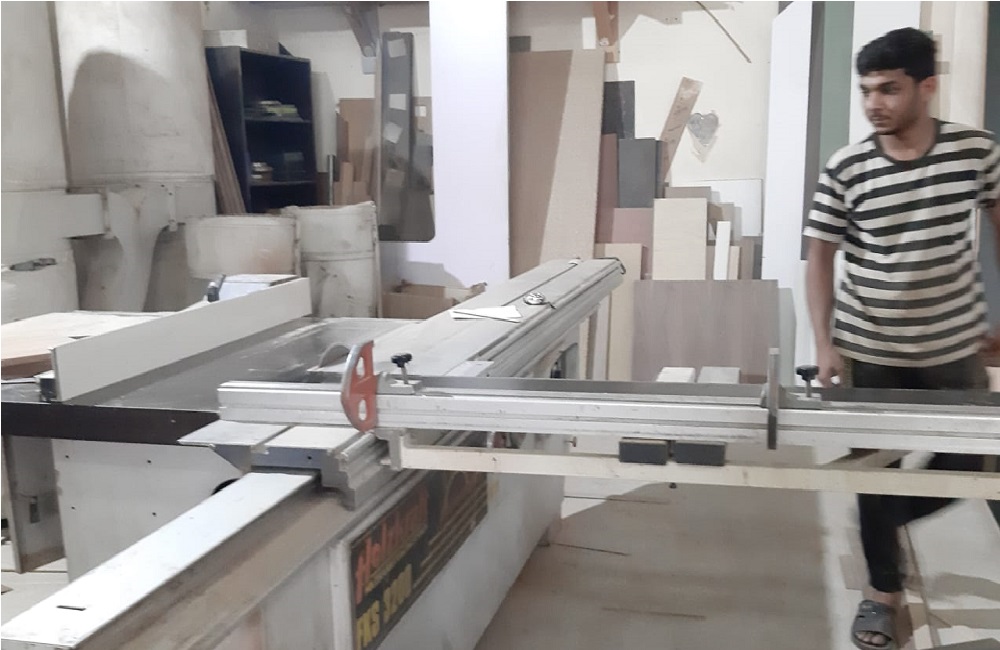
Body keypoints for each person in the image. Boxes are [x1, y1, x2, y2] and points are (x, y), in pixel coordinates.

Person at [803, 27, 1000, 650]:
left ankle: (881, 519)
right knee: (875, 468)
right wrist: (825, 345)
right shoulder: (847, 167)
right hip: (872, 348)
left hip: (954, 347)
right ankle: (881, 593)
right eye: (867, 90)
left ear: (927, 86)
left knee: (966, 462)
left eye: (889, 89)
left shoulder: (975, 152)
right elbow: (819, 256)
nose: (874, 103)